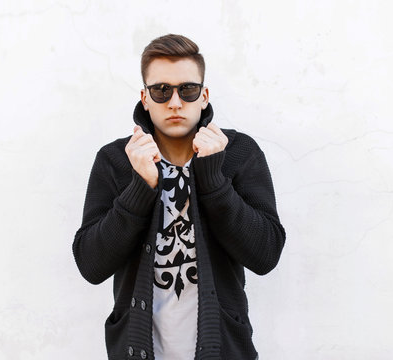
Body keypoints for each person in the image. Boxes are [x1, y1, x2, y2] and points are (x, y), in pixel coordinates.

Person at [72, 33, 286, 360]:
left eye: (187, 90)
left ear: (204, 95)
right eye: (161, 91)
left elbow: (265, 254)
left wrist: (214, 181)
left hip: (223, 350)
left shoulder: (238, 153)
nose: (174, 103)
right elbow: (91, 264)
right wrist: (139, 187)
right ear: (144, 98)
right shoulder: (117, 160)